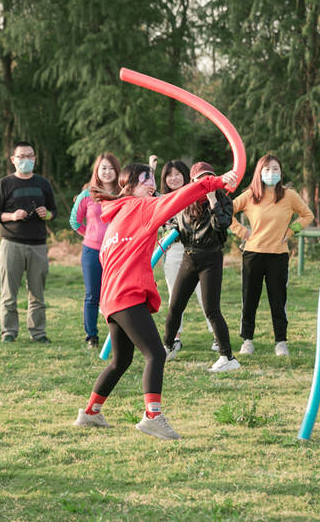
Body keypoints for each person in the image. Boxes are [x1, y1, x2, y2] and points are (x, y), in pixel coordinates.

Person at [73, 162, 237, 440]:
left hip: (112, 296)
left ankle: (90, 413)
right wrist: (218, 181)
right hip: (126, 295)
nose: (151, 184)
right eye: (145, 180)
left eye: (151, 179)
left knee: (121, 360)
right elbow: (181, 197)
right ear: (131, 187)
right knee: (156, 353)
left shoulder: (118, 212)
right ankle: (152, 416)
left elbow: (106, 257)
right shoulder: (141, 207)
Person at [230, 154, 314, 357]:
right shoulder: (250, 195)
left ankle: (281, 342)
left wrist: (291, 231)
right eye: (267, 169)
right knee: (250, 299)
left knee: (278, 300)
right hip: (253, 255)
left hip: (278, 256)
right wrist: (243, 232)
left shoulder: (289, 195)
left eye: (275, 169)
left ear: (281, 172)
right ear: (259, 172)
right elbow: (226, 212)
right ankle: (247, 341)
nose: (271, 173)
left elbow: (307, 215)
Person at [162, 162, 239, 373]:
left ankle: (227, 356)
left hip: (211, 258)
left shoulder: (223, 200)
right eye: (199, 180)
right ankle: (167, 346)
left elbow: (221, 225)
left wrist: (213, 200)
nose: (204, 183)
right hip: (189, 257)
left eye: (208, 178)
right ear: (193, 182)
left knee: (211, 309)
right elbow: (177, 224)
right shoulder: (185, 200)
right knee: (175, 305)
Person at [0, 141, 57, 344]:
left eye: (30, 156)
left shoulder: (43, 183)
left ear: (34, 159)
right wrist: (12, 216)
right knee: (9, 292)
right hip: (12, 244)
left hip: (38, 245)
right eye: (21, 156)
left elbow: (54, 211)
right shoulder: (4, 184)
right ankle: (8, 331)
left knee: (37, 293)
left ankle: (38, 333)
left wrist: (47, 214)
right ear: (13, 160)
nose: (26, 160)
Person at [159, 159, 215, 352]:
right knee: (175, 297)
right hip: (173, 251)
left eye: (177, 174)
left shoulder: (195, 196)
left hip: (196, 249)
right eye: (169, 175)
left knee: (206, 295)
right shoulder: (162, 200)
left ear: (186, 177)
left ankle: (216, 336)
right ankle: (175, 337)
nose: (173, 179)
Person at [69, 153, 121, 349]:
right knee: (92, 295)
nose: (107, 172)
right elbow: (75, 221)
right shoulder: (87, 195)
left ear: (117, 170)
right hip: (91, 252)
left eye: (111, 168)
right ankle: (92, 336)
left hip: (116, 253)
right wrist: (89, 235)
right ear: (97, 171)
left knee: (116, 294)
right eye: (103, 168)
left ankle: (116, 335)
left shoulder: (123, 194)